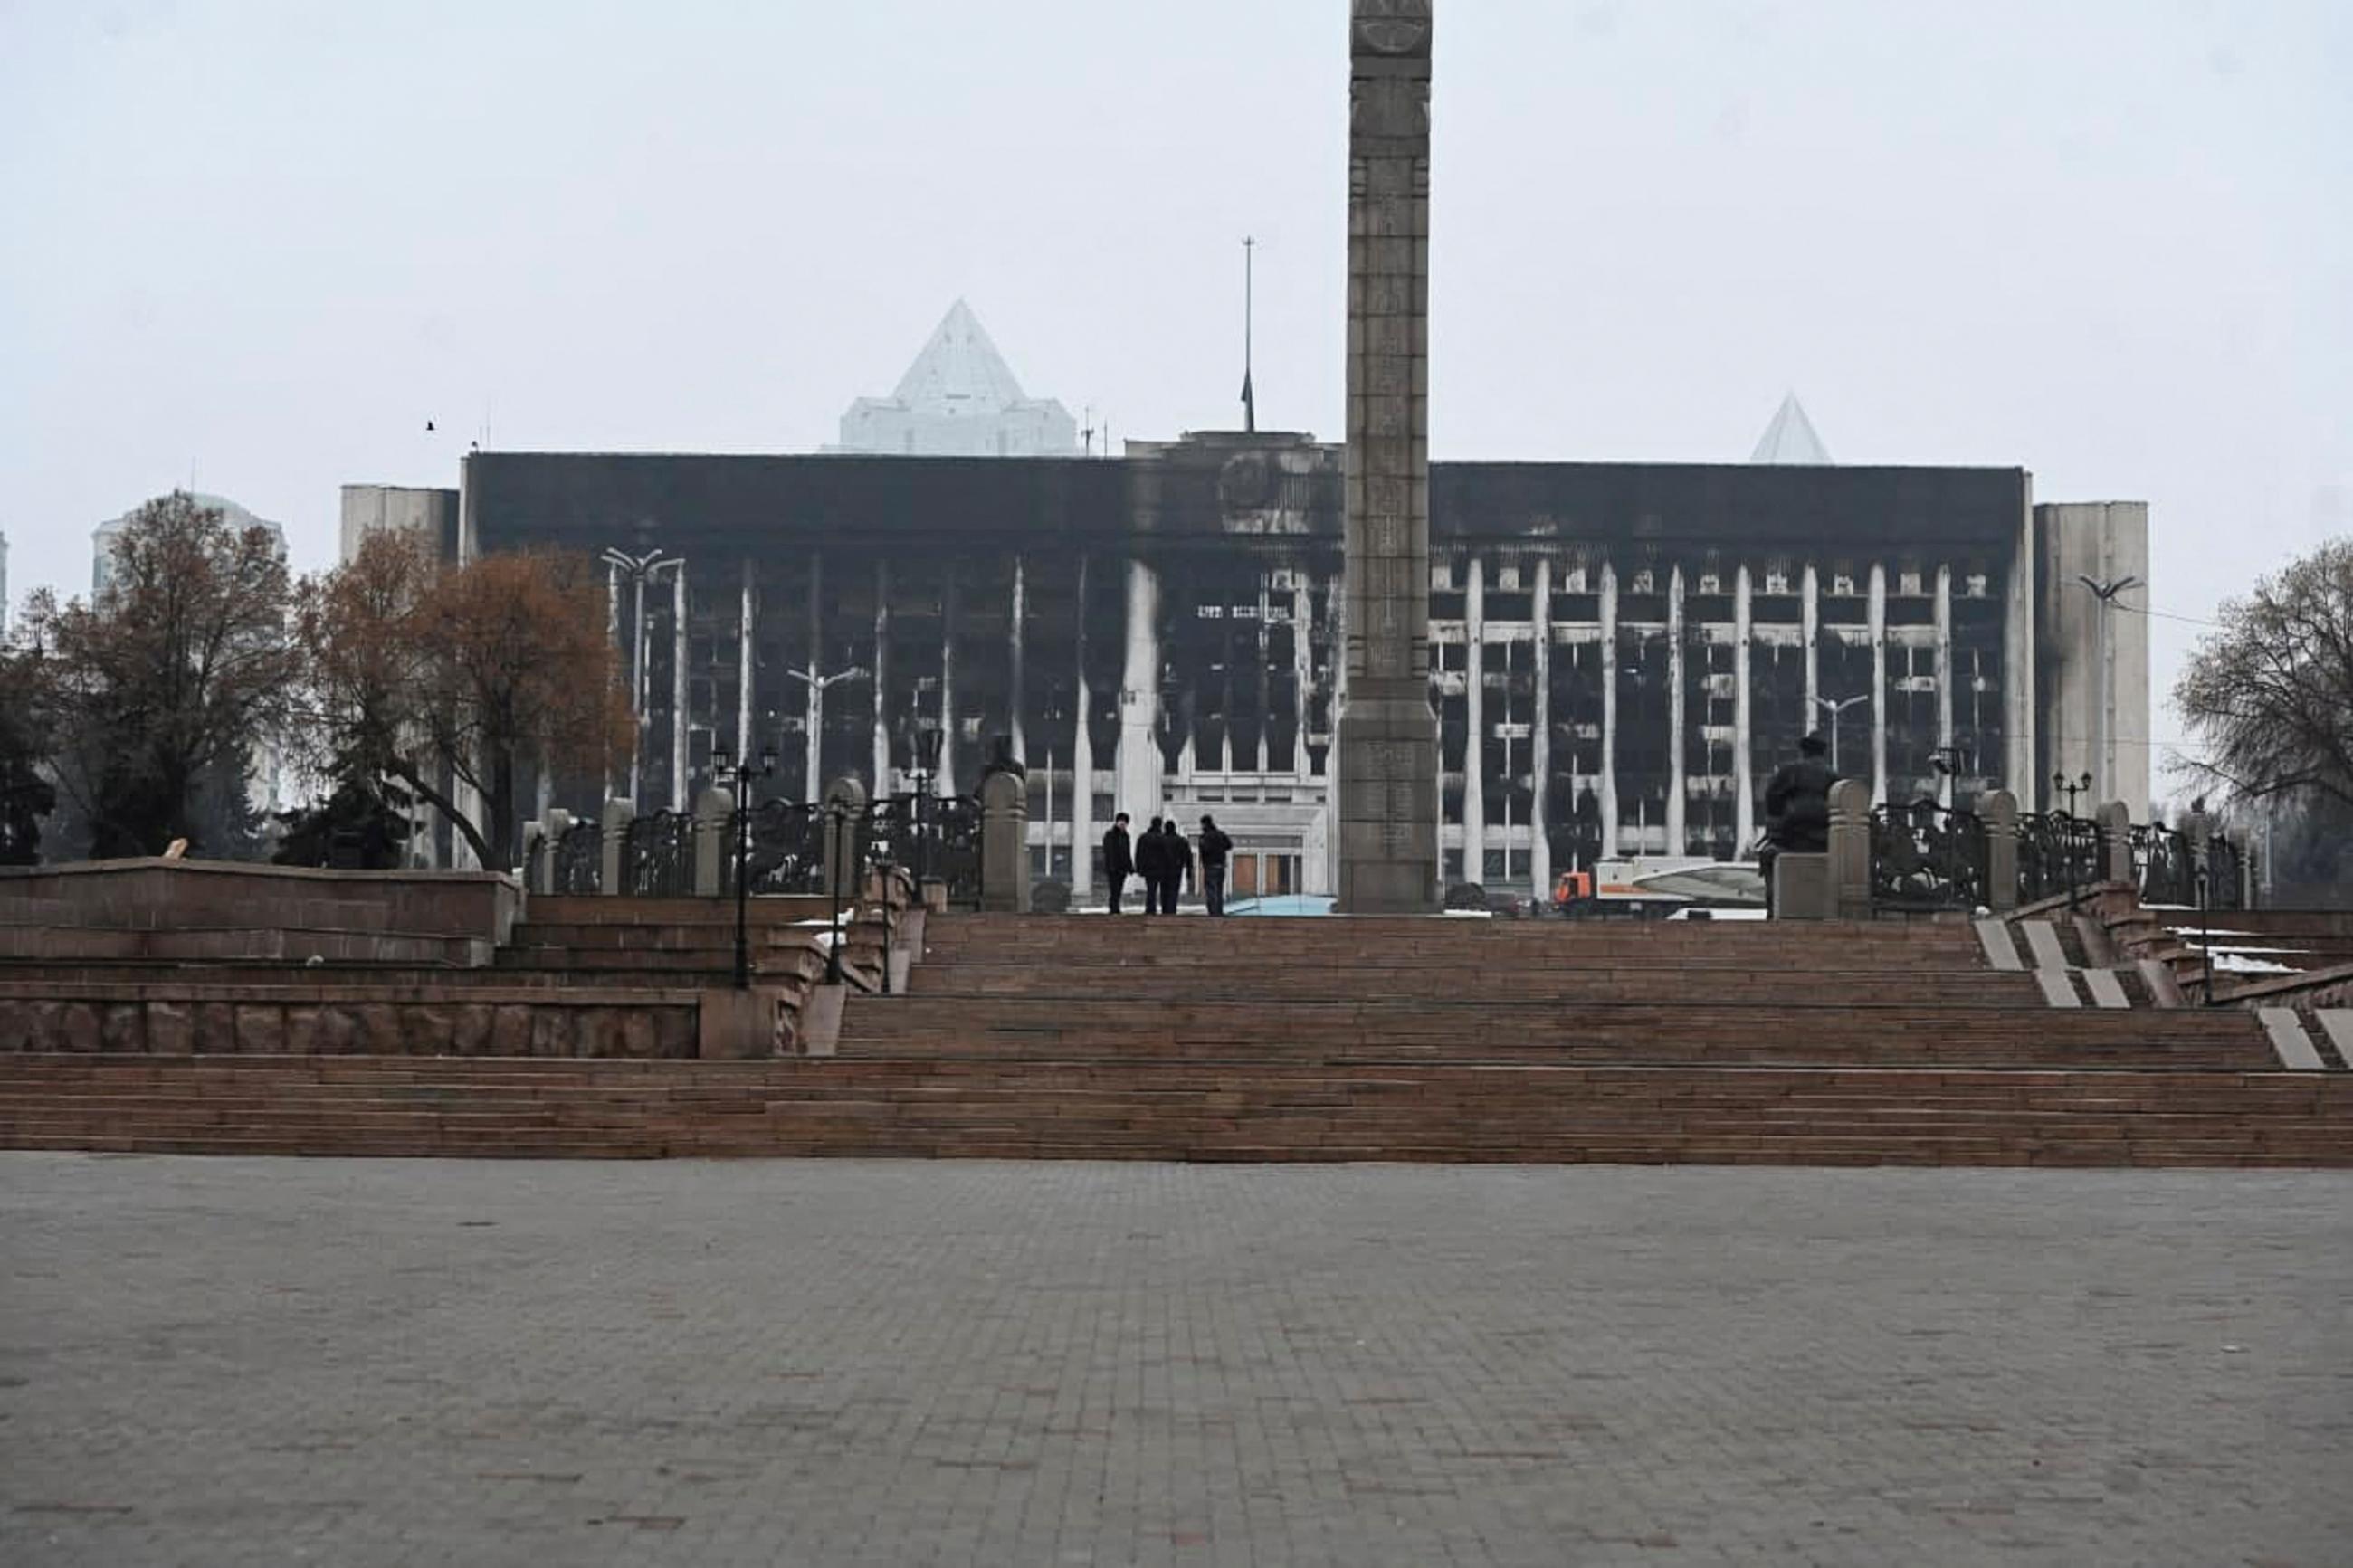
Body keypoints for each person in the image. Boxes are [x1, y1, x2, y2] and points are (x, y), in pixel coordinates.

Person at [1760, 732, 1837, 914]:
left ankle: (1772, 905)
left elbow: (1772, 798)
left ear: (1804, 751)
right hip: (1825, 838)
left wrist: (1778, 820)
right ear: (1823, 753)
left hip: (1792, 835)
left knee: (1768, 856)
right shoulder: (1833, 775)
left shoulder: (1790, 771)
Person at [1196, 814, 1234, 916]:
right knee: (1219, 890)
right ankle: (1219, 911)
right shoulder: (1221, 834)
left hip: (1210, 866)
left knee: (1211, 890)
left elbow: (1205, 849)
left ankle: (1213, 912)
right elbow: (1229, 845)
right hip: (1220, 866)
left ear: (1204, 824)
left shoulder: (1204, 837)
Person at [1100, 812, 1134, 915]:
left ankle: (1115, 906)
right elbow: (1108, 851)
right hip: (1113, 867)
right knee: (1114, 888)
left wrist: (1130, 867)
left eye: (1125, 823)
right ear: (1117, 822)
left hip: (1122, 868)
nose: (1123, 824)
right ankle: (1113, 907)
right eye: (1121, 822)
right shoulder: (1110, 834)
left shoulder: (1126, 836)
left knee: (1119, 889)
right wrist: (1111, 866)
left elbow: (1127, 852)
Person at [1135, 818, 1168, 915]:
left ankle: (1150, 908)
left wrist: (1139, 867)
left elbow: (1139, 854)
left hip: (1148, 868)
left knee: (1150, 889)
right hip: (1160, 868)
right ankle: (1163, 908)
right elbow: (1166, 854)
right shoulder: (1163, 838)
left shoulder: (1144, 837)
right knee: (1161, 889)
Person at [1160, 819, 1192, 913]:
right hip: (1176, 869)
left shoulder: (1161, 840)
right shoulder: (1182, 840)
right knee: (1173, 890)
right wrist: (1189, 870)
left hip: (1163, 869)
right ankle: (1172, 909)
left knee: (1164, 890)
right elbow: (1188, 856)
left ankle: (1165, 909)